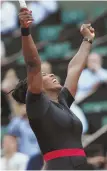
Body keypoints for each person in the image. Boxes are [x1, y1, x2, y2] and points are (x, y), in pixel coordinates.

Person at [11, 8, 95, 170]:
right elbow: (33, 63)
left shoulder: (63, 101)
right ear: (35, 86)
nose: (51, 75)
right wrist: (25, 30)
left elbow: (74, 68)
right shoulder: (36, 105)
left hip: (81, 166)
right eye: (44, 75)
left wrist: (87, 40)